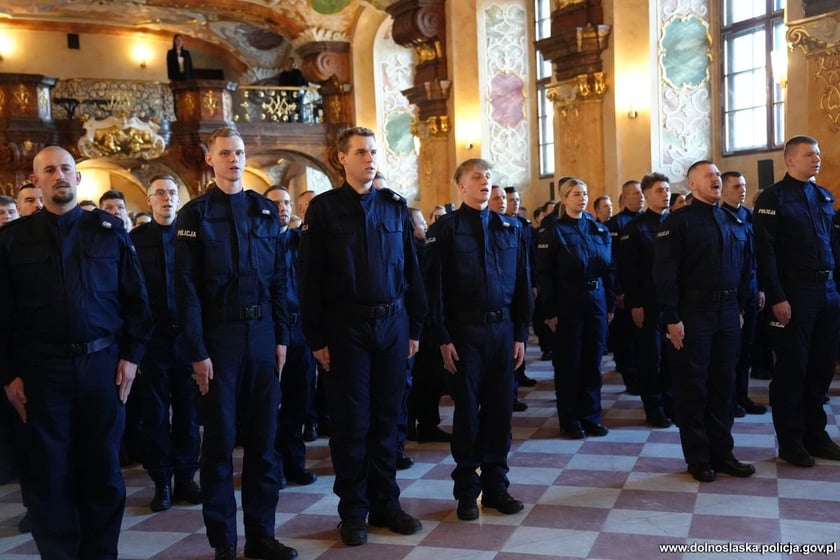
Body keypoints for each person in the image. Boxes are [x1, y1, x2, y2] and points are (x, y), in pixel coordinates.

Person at [0, 145, 152, 559]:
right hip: (40, 372)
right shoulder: (13, 240)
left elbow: (136, 302)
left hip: (101, 367)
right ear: (36, 181)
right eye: (49, 170)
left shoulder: (108, 230)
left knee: (103, 472)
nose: (60, 175)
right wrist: (7, 373)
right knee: (49, 475)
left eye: (66, 168)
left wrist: (132, 357)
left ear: (78, 178)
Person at [298, 126, 427, 546]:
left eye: (373, 151)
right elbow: (311, 279)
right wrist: (317, 338)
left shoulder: (394, 206)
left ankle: (386, 503)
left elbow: (411, 271)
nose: (369, 158)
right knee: (352, 424)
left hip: (392, 324)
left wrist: (416, 326)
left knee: (389, 420)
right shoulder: (324, 209)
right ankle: (353, 511)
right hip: (345, 327)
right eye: (360, 152)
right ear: (342, 159)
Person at [174, 127, 297, 560]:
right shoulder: (194, 215)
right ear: (210, 159)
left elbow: (280, 281)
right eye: (225, 152)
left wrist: (281, 337)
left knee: (265, 442)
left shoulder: (265, 211)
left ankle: (261, 536)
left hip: (263, 334)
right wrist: (197, 351)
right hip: (218, 339)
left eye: (240, 152)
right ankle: (224, 540)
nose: (234, 159)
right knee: (220, 443)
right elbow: (184, 290)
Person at [424, 158, 532, 522]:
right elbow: (433, 290)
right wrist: (442, 338)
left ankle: (497, 487)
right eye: (477, 177)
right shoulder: (447, 229)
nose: (485, 181)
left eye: (488, 176)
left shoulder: (511, 227)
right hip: (464, 334)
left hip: (502, 333)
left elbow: (521, 286)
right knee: (468, 414)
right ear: (462, 186)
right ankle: (467, 491)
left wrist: (520, 335)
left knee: (500, 413)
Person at [653, 160, 754, 482]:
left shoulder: (732, 219)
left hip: (727, 312)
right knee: (693, 387)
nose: (716, 179)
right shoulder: (679, 222)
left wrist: (738, 307)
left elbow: (743, 267)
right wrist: (671, 316)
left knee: (724, 386)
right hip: (693, 313)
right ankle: (698, 458)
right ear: (692, 185)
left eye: (717, 175)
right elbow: (665, 273)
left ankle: (723, 453)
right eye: (708, 176)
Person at [753, 135, 840, 467]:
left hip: (827, 291)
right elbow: (766, 252)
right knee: (793, 368)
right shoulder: (773, 198)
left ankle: (815, 435)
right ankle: (790, 441)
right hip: (794, 292)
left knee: (821, 368)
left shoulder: (823, 196)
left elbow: (831, 246)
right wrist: (776, 296)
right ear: (790, 160)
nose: (816, 158)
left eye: (818, 153)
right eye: (809, 154)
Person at [130, 174, 202, 513]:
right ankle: (161, 482)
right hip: (153, 340)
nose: (167, 198)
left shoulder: (191, 236)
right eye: (160, 193)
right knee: (155, 414)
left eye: (172, 192)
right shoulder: (134, 240)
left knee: (188, 412)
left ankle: (187, 478)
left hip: (187, 339)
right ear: (149, 199)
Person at [536, 177, 613, 439]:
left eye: (585, 193)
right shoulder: (554, 231)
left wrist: (610, 303)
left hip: (597, 299)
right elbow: (544, 275)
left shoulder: (597, 229)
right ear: (565, 198)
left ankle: (591, 416)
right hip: (568, 299)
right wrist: (550, 311)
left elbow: (609, 269)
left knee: (593, 361)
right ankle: (570, 419)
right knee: (570, 362)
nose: (582, 198)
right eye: (576, 194)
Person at [263, 185, 318, 488]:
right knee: (271, 403)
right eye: (275, 204)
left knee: (299, 401)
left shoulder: (301, 242)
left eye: (285, 203)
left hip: (301, 330)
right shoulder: (259, 243)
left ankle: (295, 463)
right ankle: (272, 466)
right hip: (271, 331)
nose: (282, 208)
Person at [619, 172, 673, 428]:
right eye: (660, 190)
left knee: (674, 355)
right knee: (651, 356)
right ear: (647, 194)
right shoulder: (635, 228)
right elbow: (630, 271)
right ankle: (654, 406)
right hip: (648, 301)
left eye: (667, 190)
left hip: (673, 301)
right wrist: (636, 304)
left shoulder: (676, 222)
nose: (665, 194)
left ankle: (672, 402)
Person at [720, 171, 767, 417]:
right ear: (724, 189)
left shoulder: (750, 217)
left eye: (744, 185)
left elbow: (756, 255)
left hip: (750, 288)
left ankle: (742, 394)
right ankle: (728, 399)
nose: (742, 190)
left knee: (747, 347)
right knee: (730, 351)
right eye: (737, 186)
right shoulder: (720, 217)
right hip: (730, 291)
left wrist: (759, 287)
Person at [406, 207, 451, 444]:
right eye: (421, 222)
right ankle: (412, 424)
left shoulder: (428, 249)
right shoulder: (411, 253)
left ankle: (427, 424)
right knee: (417, 378)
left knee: (431, 378)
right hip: (416, 325)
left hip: (430, 323)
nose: (425, 226)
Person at [606, 179, 644, 394]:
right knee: (626, 337)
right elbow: (613, 261)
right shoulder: (615, 224)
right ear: (625, 197)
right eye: (635, 194)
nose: (640, 197)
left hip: (644, 288)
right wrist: (617, 290)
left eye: (641, 193)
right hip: (624, 290)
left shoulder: (647, 220)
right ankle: (630, 376)